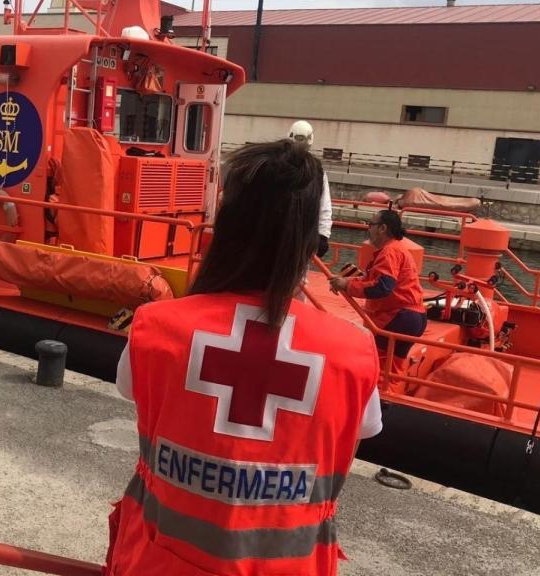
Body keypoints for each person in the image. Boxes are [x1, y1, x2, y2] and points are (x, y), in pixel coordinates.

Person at [105, 139, 382, 576]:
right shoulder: (353, 353)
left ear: (227, 226)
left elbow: (132, 389)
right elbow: (361, 430)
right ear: (310, 240)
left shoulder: (155, 328)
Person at [330, 209, 426, 380]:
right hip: (412, 317)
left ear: (382, 228)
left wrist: (347, 285)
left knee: (379, 365)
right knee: (392, 368)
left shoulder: (390, 252)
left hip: (398, 316)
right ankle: (388, 398)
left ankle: (380, 400)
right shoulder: (397, 250)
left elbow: (382, 287)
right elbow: (375, 279)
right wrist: (349, 282)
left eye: (371, 224)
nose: (368, 229)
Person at [289, 120, 333, 258]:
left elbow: (324, 204)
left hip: (304, 233)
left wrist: (323, 235)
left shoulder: (317, 171)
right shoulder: (278, 165)